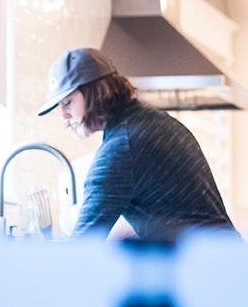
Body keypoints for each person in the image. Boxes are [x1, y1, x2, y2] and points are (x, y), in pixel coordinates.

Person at [39, 47, 235, 241]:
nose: (64, 114)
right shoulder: (149, 121)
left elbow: (82, 245)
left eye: (68, 102)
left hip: (204, 264)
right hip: (218, 256)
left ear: (95, 92)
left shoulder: (121, 147)